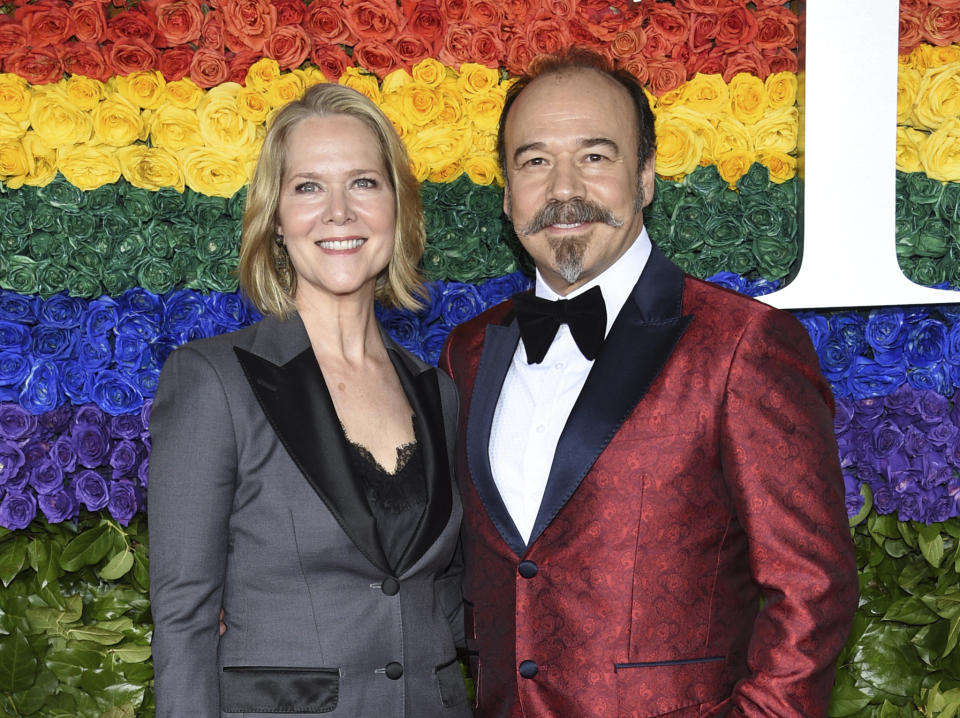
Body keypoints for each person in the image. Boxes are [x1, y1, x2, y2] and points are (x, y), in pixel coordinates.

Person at [439, 49, 858, 717]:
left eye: (596, 156)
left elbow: (812, 588)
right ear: (508, 190)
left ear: (646, 178)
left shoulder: (740, 345)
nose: (563, 187)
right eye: (535, 160)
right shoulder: (468, 351)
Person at [149, 83, 471, 718]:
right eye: (308, 187)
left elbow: (448, 595)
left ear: (398, 208)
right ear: (275, 217)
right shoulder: (213, 381)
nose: (339, 212)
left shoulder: (438, 392)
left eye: (363, 183)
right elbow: (183, 620)